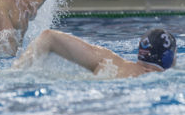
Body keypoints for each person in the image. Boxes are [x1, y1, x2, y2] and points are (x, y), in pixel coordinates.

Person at [12, 28, 178, 78]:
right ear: (168, 57)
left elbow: (49, 37)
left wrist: (14, 73)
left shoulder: (109, 61)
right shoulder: (156, 79)